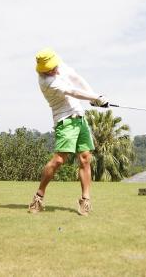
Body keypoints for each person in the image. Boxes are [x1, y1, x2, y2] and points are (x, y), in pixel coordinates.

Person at [28, 48, 109, 216]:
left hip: (79, 117)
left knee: (86, 159)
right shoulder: (46, 81)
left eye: (54, 65)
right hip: (65, 121)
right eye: (50, 69)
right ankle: (38, 197)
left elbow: (75, 78)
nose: (54, 69)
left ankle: (85, 200)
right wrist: (94, 99)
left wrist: (94, 97)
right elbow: (72, 91)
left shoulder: (58, 64)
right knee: (58, 160)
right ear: (44, 70)